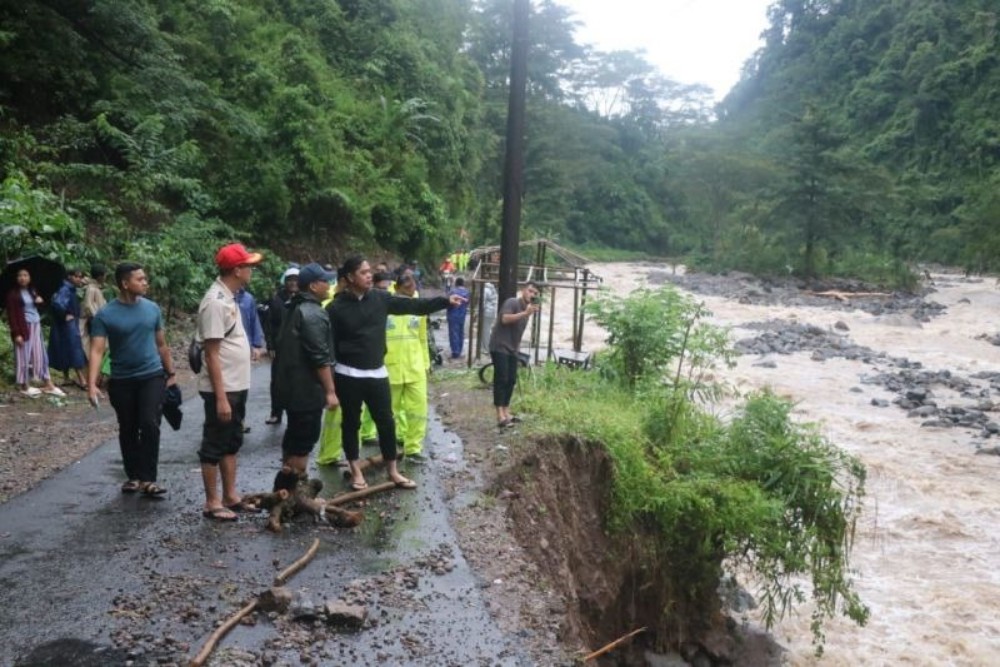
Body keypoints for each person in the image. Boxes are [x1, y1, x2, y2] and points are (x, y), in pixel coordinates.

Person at [327, 255, 465, 491]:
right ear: (350, 277)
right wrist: (328, 387)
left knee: (387, 423)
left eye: (370, 271)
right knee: (351, 423)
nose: (369, 275)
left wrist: (445, 301)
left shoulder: (380, 299)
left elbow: (412, 305)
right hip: (348, 374)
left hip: (377, 373)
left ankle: (393, 470)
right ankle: (356, 469)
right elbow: (328, 347)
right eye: (363, 272)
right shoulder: (335, 308)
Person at [87, 262, 177, 496]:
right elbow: (96, 350)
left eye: (145, 278)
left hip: (152, 375)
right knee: (128, 427)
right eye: (140, 279)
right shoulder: (106, 315)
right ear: (125, 283)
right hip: (122, 379)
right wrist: (91, 384)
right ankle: (133, 476)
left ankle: (149, 479)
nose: (145, 282)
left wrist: (172, 374)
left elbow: (161, 344)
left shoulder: (152, 309)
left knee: (149, 423)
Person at [196, 243, 263, 522]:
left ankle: (230, 495)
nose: (251, 271)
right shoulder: (215, 302)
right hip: (222, 389)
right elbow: (211, 353)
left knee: (231, 440)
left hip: (236, 385)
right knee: (215, 441)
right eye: (248, 266)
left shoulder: (231, 297)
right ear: (237, 270)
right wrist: (221, 397)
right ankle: (212, 501)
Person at [272, 263, 339, 475]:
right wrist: (330, 391)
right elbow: (320, 356)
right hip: (306, 391)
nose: (329, 285)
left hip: (290, 388)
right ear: (312, 286)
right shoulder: (312, 313)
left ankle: (285, 487)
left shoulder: (292, 307)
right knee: (304, 440)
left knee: (292, 437)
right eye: (324, 282)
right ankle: (297, 487)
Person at [386, 273, 431, 460]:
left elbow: (422, 338)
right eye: (406, 288)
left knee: (418, 410)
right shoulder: (386, 308)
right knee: (389, 412)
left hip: (415, 367)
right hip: (390, 367)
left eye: (413, 288)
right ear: (396, 288)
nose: (411, 292)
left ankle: (413, 448)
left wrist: (426, 363)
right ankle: (390, 447)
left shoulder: (418, 309)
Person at [4, 269, 64, 398]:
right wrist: (17, 334)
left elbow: (41, 308)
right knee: (23, 356)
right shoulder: (13, 294)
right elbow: (12, 316)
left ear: (30, 277)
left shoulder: (33, 291)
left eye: (25, 275)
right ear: (16, 278)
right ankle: (24, 385)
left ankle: (48, 384)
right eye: (19, 275)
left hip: (36, 325)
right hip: (23, 327)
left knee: (40, 355)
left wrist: (40, 301)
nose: (22, 278)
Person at [488, 282, 540, 428]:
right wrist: (525, 313)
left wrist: (517, 350)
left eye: (535, 294)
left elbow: (518, 332)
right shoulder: (512, 302)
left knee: (511, 379)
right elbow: (504, 319)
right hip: (499, 346)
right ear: (523, 291)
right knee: (502, 378)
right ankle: (499, 414)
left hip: (512, 349)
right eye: (530, 291)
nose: (532, 295)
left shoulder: (528, 310)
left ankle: (506, 410)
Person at [264, 267, 299, 425]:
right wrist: (270, 345)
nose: (293, 283)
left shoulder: (303, 299)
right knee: (277, 381)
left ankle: (295, 412)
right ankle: (276, 413)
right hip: (279, 347)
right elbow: (269, 324)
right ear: (285, 282)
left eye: (296, 280)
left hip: (298, 348)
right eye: (290, 280)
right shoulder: (277, 300)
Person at [48, 268, 88, 389]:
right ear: (70, 277)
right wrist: (66, 314)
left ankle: (66, 378)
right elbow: (57, 303)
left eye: (80, 277)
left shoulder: (69, 288)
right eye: (77, 276)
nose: (79, 279)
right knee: (74, 349)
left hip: (63, 324)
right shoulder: (65, 289)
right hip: (67, 324)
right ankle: (82, 380)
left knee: (64, 348)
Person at [80, 263, 108, 356]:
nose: (105, 278)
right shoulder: (92, 289)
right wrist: (96, 318)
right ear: (100, 276)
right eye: (104, 275)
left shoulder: (96, 288)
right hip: (94, 321)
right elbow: (88, 306)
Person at [446, 277, 470, 359]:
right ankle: (459, 350)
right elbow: (467, 303)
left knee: (453, 333)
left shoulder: (452, 291)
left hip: (453, 315)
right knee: (460, 333)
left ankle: (455, 352)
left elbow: (447, 302)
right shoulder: (467, 292)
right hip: (462, 315)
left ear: (456, 283)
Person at [480, 281, 498, 355]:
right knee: (488, 330)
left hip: (486, 312)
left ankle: (486, 348)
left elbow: (482, 302)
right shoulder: (493, 290)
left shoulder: (485, 290)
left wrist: (480, 311)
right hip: (492, 312)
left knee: (485, 331)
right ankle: (486, 346)